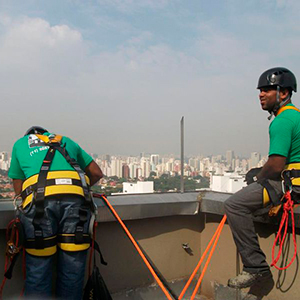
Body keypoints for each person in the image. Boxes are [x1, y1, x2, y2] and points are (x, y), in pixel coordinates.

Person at [224, 67, 300, 288]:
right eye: (260, 90)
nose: (261, 94)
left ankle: (256, 268)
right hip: (294, 182)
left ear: (283, 93)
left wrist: (258, 178)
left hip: (289, 184)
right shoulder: (296, 116)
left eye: (267, 90)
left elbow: (276, 165)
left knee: (235, 205)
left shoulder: (283, 121)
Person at [8, 126, 103, 299]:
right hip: (77, 204)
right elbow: (96, 173)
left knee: (38, 267)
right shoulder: (65, 140)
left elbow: (18, 188)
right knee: (72, 268)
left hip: (39, 206)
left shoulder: (20, 144)